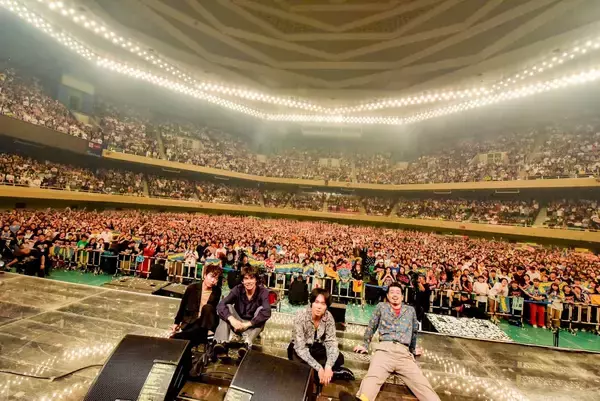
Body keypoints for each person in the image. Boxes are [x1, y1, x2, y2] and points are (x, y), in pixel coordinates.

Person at [340, 283, 440, 401]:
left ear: (402, 296)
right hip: (384, 350)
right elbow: (372, 326)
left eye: (398, 293)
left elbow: (413, 331)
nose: (395, 295)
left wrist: (412, 350)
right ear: (387, 295)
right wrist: (365, 345)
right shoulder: (381, 307)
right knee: (373, 378)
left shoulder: (410, 310)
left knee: (422, 384)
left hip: (404, 354)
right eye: (392, 292)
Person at [287, 288, 354, 386]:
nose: (319, 307)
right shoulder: (301, 316)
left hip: (316, 346)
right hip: (300, 348)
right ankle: (326, 374)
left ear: (326, 306)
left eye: (323, 304)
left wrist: (328, 366)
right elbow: (300, 348)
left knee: (339, 357)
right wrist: (319, 368)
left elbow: (331, 342)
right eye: (316, 302)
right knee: (298, 363)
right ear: (311, 303)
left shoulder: (328, 317)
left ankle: (322, 373)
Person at [213, 265, 271, 359]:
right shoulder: (238, 289)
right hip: (237, 323)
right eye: (246, 278)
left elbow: (267, 312)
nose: (249, 281)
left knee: (261, 310)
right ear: (242, 281)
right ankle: (222, 344)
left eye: (251, 278)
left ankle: (247, 344)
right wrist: (232, 320)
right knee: (227, 307)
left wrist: (247, 324)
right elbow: (221, 305)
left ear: (256, 280)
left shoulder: (263, 291)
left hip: (252, 325)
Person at [171, 264, 223, 346]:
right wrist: (176, 323)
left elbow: (211, 310)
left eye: (216, 278)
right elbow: (183, 306)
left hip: (205, 324)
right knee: (190, 336)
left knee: (207, 307)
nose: (213, 280)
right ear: (205, 275)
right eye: (212, 277)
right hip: (191, 323)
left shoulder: (217, 291)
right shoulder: (192, 288)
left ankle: (180, 338)